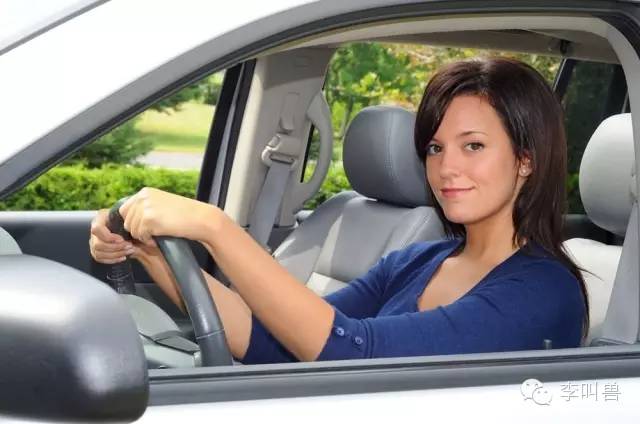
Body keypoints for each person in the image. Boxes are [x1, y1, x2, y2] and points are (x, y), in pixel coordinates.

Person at [89, 57, 589, 364]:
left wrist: (214, 227)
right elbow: (274, 343)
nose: (446, 167)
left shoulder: (544, 292)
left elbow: (352, 349)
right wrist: (152, 252)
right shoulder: (414, 262)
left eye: (473, 145)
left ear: (526, 160)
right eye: (435, 148)